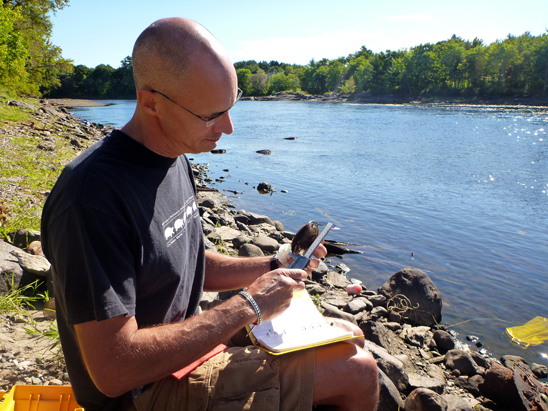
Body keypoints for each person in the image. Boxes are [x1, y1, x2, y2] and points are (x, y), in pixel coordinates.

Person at [41, 17, 379, 411]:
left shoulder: (172, 153)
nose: (229, 128)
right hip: (143, 392)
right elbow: (114, 370)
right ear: (151, 102)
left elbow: (186, 263)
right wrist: (249, 305)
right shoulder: (91, 199)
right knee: (357, 370)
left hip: (181, 352)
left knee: (348, 334)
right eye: (211, 115)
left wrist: (274, 263)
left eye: (231, 106)